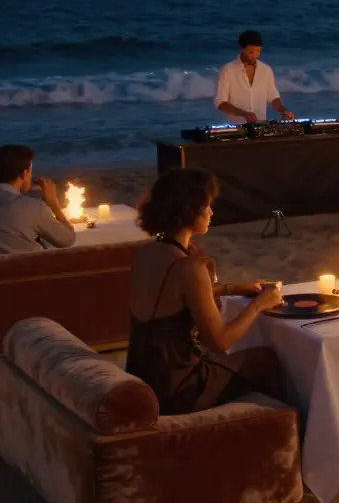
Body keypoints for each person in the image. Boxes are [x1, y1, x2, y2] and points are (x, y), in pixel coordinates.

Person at [125, 168, 287, 415]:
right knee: (265, 360)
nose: (211, 212)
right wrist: (259, 305)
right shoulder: (189, 267)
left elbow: (173, 299)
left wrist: (231, 288)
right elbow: (219, 342)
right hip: (177, 389)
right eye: (207, 206)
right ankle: (280, 435)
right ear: (190, 210)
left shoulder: (145, 253)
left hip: (144, 377)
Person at [0, 144, 75, 258]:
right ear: (24, 173)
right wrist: (54, 203)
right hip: (27, 273)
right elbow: (67, 239)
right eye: (30, 171)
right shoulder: (33, 208)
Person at [213, 29, 294, 124]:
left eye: (258, 51)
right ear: (242, 49)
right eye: (251, 52)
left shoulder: (265, 70)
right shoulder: (227, 70)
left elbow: (273, 98)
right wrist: (243, 113)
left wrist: (283, 110)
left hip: (260, 126)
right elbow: (220, 103)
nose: (255, 55)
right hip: (235, 129)